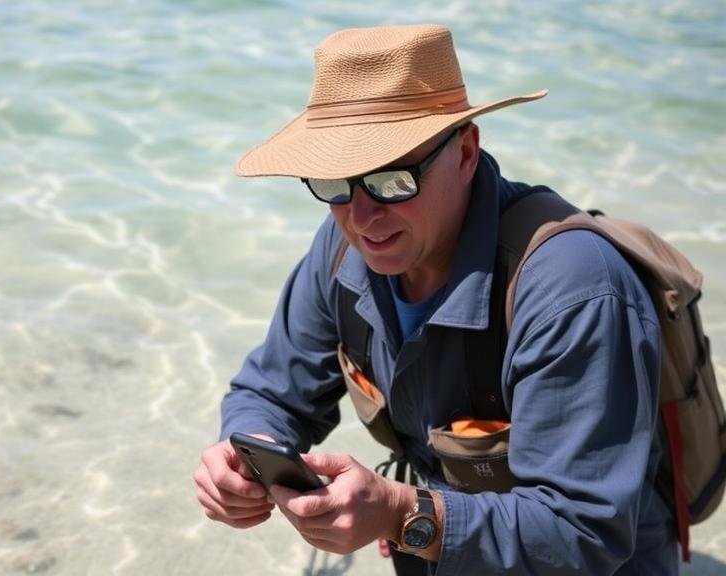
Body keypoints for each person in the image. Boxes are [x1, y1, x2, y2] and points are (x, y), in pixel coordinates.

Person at [193, 24, 678, 575]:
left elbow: (582, 532)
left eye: (392, 180)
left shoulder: (574, 290)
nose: (363, 218)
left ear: (467, 152)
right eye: (334, 184)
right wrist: (246, 455)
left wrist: (401, 512)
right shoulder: (341, 247)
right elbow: (272, 391)